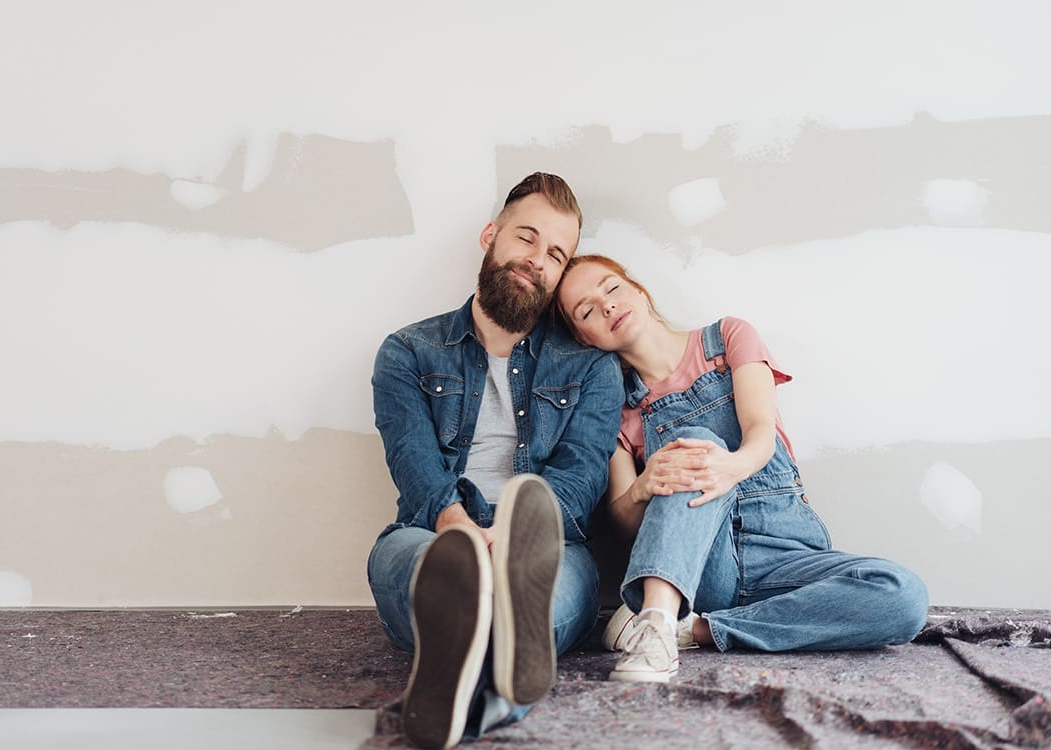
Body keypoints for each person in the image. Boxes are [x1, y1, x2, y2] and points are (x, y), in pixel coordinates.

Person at [555, 254, 929, 684]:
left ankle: (693, 629)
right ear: (585, 339)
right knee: (693, 446)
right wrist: (644, 485)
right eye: (586, 310)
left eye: (611, 288)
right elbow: (622, 520)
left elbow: (760, 434)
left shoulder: (728, 337)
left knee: (903, 595)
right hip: (708, 570)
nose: (606, 306)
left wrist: (727, 467)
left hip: (787, 554)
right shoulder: (618, 409)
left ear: (637, 290)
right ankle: (655, 620)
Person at [367, 174, 623, 748]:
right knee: (426, 570)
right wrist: (463, 533)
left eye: (555, 254)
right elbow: (417, 472)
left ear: (560, 275)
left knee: (528, 596)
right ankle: (491, 646)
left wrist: (509, 537)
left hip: (545, 548)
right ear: (491, 236)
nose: (536, 260)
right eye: (526, 239)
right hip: (432, 539)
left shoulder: (591, 367)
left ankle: (459, 686)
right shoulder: (407, 352)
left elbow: (580, 479)